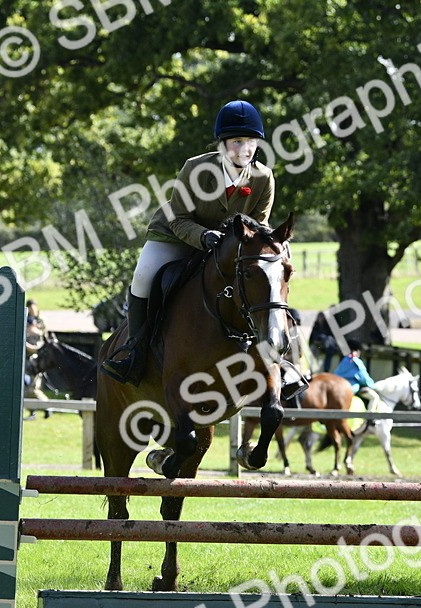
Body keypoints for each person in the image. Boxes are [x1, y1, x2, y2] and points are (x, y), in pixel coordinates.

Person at [102, 99, 304, 401]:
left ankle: (280, 361)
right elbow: (179, 218)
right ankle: (134, 352)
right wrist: (205, 237)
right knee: (143, 277)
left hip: (230, 246)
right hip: (177, 235)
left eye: (251, 143)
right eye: (237, 142)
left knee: (267, 278)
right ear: (222, 144)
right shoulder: (195, 169)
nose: (245, 150)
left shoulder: (263, 178)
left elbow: (258, 226)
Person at [334, 339, 377, 406]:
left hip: (338, 385)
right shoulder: (356, 361)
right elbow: (364, 378)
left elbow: (336, 373)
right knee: (374, 397)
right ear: (358, 350)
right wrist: (373, 386)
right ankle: (370, 415)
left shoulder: (345, 359)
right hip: (352, 388)